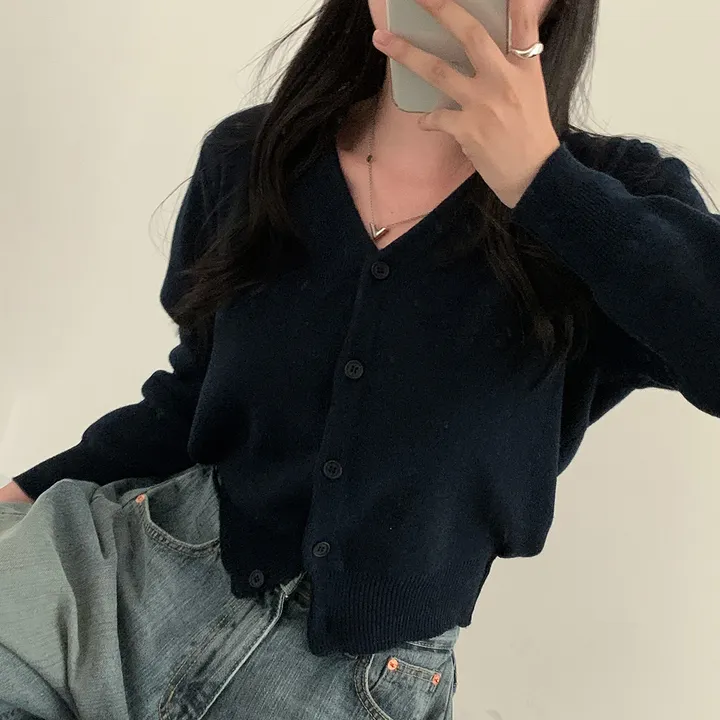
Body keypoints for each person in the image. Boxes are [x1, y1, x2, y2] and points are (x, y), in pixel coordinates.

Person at [1, 0, 719, 718]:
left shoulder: (614, 200)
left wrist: (544, 180)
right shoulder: (253, 155)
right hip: (122, 593)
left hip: (360, 682)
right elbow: (194, 397)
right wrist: (26, 492)